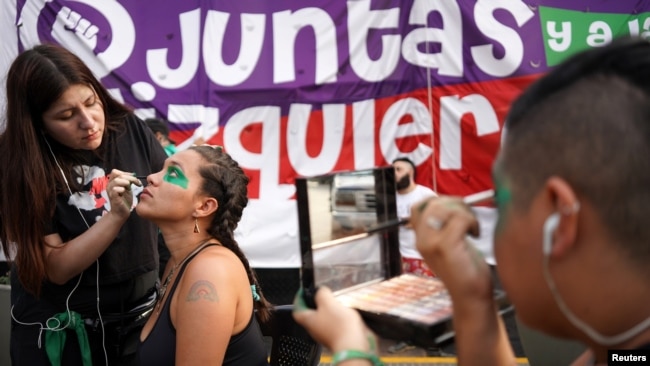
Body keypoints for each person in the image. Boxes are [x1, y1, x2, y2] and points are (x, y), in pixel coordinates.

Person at [292, 37, 650, 366]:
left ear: (561, 219)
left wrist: (354, 353)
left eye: (501, 200)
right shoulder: (615, 352)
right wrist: (472, 299)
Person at [0, 44, 168, 365]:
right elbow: (56, 268)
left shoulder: (128, 128)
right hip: (63, 332)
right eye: (66, 115)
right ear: (37, 124)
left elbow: (173, 202)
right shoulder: (18, 164)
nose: (89, 122)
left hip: (137, 319)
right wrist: (115, 216)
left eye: (91, 102)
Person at [136, 145, 272, 365]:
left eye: (173, 173)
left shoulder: (210, 271)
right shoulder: (178, 262)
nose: (151, 177)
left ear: (204, 206)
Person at [388, 157, 438, 355]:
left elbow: (441, 222)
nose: (394, 174)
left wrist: (419, 221)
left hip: (422, 256)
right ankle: (405, 339)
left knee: (428, 302)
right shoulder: (389, 197)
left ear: (410, 173)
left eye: (398, 169)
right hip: (399, 257)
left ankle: (432, 344)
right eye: (392, 170)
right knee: (401, 303)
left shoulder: (425, 195)